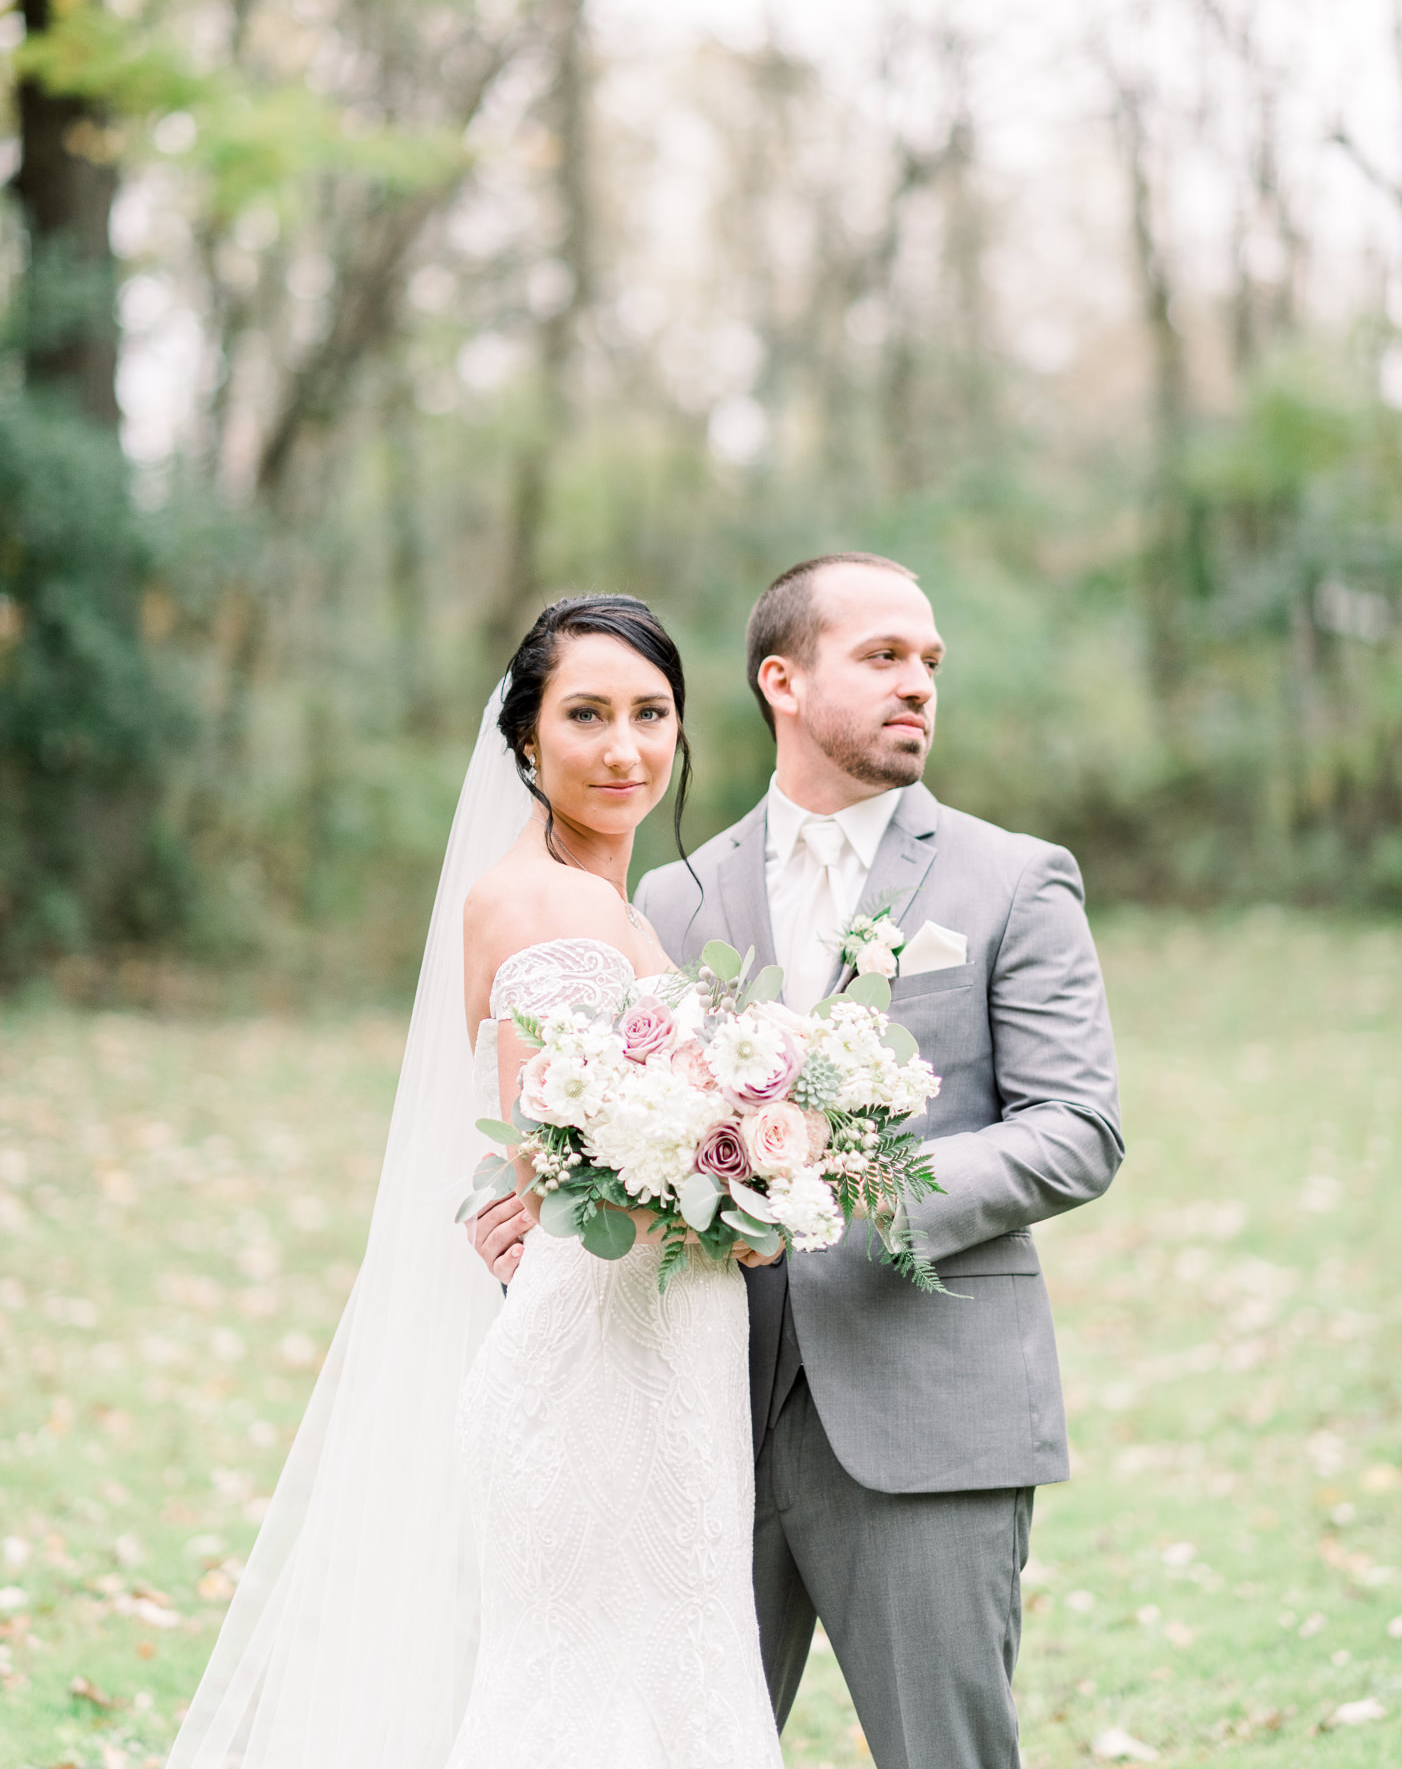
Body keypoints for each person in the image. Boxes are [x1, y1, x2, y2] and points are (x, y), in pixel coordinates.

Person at [476, 552, 1124, 1769]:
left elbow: (1077, 1129)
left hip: (924, 1417)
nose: (917, 685)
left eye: (929, 663)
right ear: (781, 678)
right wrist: (507, 1203)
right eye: (882, 657)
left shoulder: (1011, 880)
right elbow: (572, 1102)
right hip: (689, 1415)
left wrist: (846, 1198)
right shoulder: (666, 899)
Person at [166, 593, 782, 1769]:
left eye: (652, 714)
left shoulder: (604, 900)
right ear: (524, 742)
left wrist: (764, 1173)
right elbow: (575, 1161)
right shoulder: (547, 900)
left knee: (655, 1681)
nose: (624, 749)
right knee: (590, 1700)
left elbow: (522, 1143)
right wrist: (750, 1180)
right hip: (602, 1363)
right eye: (586, 714)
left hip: (649, 1346)